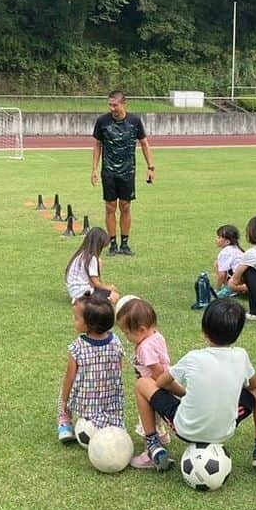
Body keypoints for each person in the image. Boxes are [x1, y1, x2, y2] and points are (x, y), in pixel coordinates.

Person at [131, 297, 256, 472]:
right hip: (224, 430)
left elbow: (161, 382)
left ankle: (153, 446)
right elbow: (254, 385)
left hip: (185, 429)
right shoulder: (241, 355)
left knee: (143, 383)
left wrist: (185, 393)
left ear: (204, 331)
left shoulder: (193, 357)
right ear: (238, 333)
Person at [90, 90, 155, 256]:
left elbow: (144, 143)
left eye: (115, 105)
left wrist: (150, 167)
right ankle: (112, 244)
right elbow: (97, 145)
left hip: (127, 171)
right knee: (110, 207)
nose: (112, 108)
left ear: (123, 104)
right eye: (109, 104)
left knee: (125, 207)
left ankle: (125, 244)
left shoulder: (134, 121)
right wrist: (94, 169)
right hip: (109, 172)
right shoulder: (102, 121)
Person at [57, 291, 125, 443]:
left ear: (88, 324)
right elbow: (118, 371)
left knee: (64, 390)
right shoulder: (116, 342)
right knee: (112, 409)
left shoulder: (78, 346)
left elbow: (70, 377)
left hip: (84, 401)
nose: (73, 321)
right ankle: (112, 425)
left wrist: (65, 399)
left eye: (76, 318)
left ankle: (65, 420)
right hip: (111, 399)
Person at [114, 296, 174, 465]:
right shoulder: (156, 336)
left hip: (153, 388)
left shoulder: (145, 348)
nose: (126, 337)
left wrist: (154, 389)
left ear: (141, 329)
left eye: (127, 332)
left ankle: (151, 454)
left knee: (146, 420)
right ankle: (162, 437)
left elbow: (157, 371)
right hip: (162, 385)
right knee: (157, 417)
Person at [65, 227, 118, 304]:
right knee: (115, 296)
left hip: (73, 290)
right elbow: (95, 283)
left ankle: (82, 299)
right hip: (82, 290)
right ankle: (82, 300)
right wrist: (109, 287)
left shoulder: (80, 255)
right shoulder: (92, 258)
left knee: (108, 294)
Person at [213, 224, 245, 297]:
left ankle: (231, 289)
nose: (216, 239)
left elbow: (222, 275)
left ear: (227, 242)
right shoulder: (236, 248)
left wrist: (217, 290)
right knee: (217, 263)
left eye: (219, 237)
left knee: (217, 264)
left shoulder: (225, 253)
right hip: (245, 279)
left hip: (240, 281)